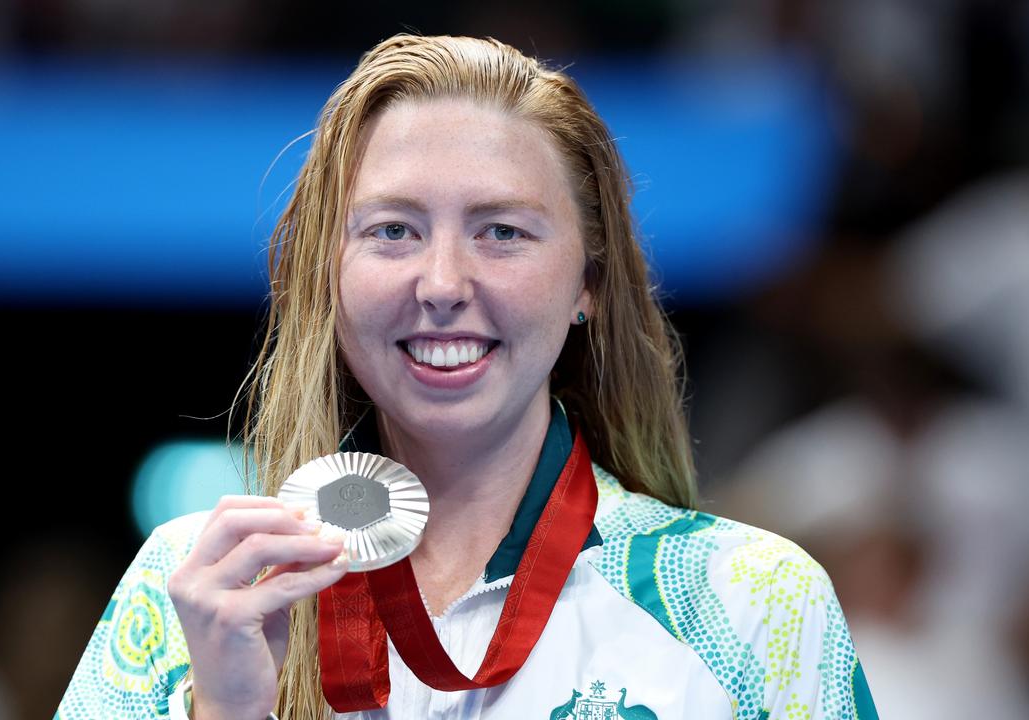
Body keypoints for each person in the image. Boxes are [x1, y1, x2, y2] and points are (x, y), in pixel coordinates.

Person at [55, 34, 878, 720]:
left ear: (588, 283)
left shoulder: (753, 604)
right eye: (393, 230)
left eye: (502, 232)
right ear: (326, 275)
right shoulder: (193, 588)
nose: (443, 283)